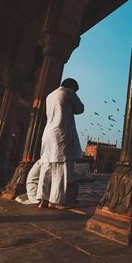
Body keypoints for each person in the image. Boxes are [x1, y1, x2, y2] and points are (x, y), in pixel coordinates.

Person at [37, 78, 84, 209]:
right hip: (60, 133)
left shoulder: (50, 95)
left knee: (47, 167)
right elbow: (80, 108)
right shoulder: (68, 92)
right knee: (61, 167)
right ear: (72, 87)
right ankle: (56, 201)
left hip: (48, 134)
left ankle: (43, 199)